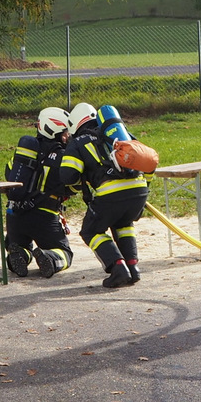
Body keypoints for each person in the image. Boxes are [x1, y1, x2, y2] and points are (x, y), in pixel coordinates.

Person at [56, 101, 149, 288]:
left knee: (90, 230)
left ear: (74, 124)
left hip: (111, 193)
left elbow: (67, 176)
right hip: (140, 189)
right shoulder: (119, 133)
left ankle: (118, 267)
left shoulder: (78, 142)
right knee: (123, 224)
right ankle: (133, 267)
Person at [3, 106, 74, 278]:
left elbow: (9, 174)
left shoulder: (23, 154)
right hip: (44, 218)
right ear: (54, 130)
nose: (67, 137)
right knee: (65, 254)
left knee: (22, 246)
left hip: (15, 216)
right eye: (65, 133)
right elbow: (70, 186)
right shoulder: (63, 157)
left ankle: (20, 254)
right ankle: (49, 258)